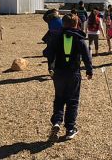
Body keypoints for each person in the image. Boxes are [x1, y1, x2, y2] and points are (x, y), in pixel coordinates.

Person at [46, 13, 93, 141]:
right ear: (77, 24)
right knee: (72, 101)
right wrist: (89, 70)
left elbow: (48, 53)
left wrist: (50, 67)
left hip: (59, 73)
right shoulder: (79, 38)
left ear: (63, 24)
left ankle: (56, 121)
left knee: (59, 98)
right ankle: (70, 129)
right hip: (73, 74)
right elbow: (86, 56)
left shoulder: (56, 37)